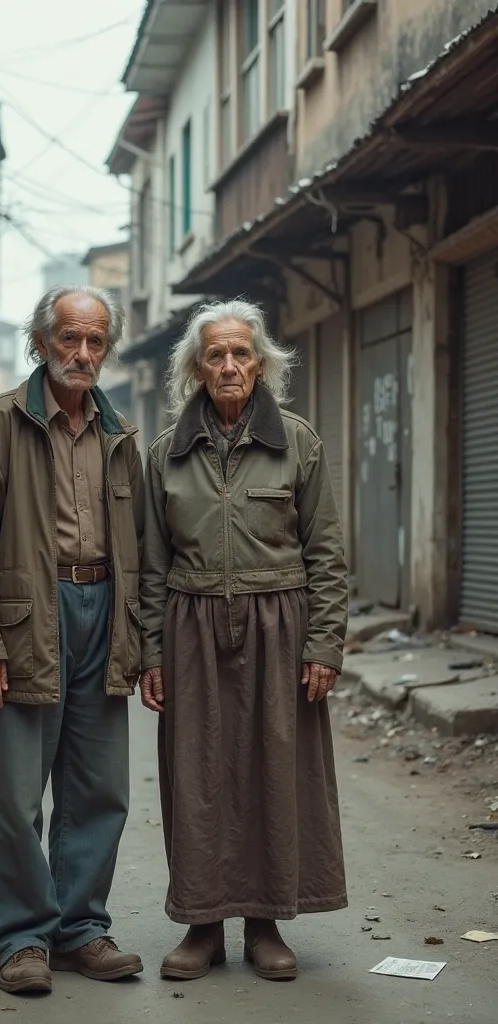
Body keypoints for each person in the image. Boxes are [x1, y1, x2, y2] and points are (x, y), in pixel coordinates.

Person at [0, 285, 144, 995]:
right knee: (17, 792)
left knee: (99, 788)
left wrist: (142, 644)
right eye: (69, 339)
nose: (82, 353)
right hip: (30, 614)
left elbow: (140, 547)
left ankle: (81, 928)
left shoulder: (121, 435)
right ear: (41, 343)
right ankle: (20, 937)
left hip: (104, 612)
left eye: (95, 341)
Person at [139, 299, 348, 983]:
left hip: (280, 629)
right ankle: (203, 924)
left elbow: (327, 552)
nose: (229, 366)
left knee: (275, 773)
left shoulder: (298, 441)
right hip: (191, 625)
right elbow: (150, 564)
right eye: (215, 355)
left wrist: (323, 643)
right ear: (195, 368)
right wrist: (152, 652)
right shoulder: (166, 453)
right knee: (197, 777)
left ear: (261, 363)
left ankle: (265, 923)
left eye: (241, 354)